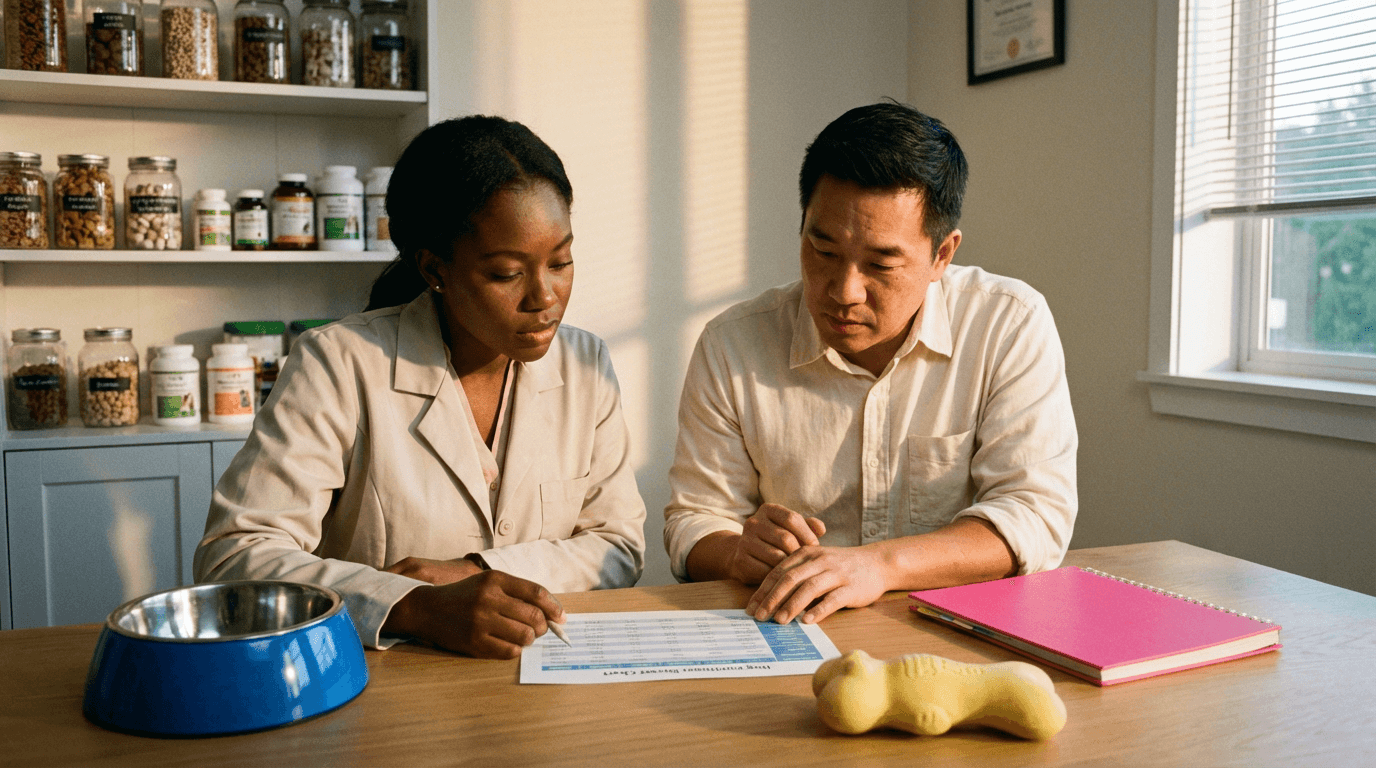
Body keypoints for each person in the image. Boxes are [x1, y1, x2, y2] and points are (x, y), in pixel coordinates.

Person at [196, 115, 647, 659]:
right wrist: (409, 605)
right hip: (384, 688)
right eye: (507, 273)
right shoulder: (339, 363)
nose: (545, 296)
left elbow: (617, 546)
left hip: (545, 679)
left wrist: (480, 570)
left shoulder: (585, 364)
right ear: (435, 267)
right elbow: (235, 557)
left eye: (562, 261)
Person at [663, 101, 1076, 626]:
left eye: (881, 263)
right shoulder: (733, 345)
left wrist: (879, 565)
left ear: (942, 256)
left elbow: (1034, 514)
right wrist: (735, 551)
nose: (843, 291)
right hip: (793, 628)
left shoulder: (1008, 323)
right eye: (823, 251)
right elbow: (693, 520)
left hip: (956, 630)